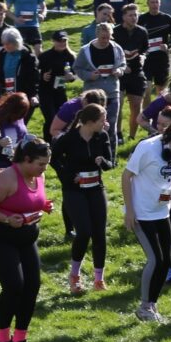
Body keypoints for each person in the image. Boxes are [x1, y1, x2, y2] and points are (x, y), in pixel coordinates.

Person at [0, 138, 53, 342]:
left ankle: (19, 339)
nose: (44, 168)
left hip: (25, 237)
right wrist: (7, 219)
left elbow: (31, 199)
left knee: (32, 286)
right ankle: (1, 338)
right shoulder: (6, 178)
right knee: (14, 285)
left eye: (46, 164)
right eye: (41, 164)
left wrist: (43, 205)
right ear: (26, 160)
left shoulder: (39, 175)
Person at [123, 108, 171, 322]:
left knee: (166, 260)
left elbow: (166, 177)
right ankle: (143, 307)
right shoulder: (147, 148)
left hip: (162, 211)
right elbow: (126, 176)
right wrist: (129, 211)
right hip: (142, 212)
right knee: (155, 259)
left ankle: (152, 304)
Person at [50, 101, 114, 295]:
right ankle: (74, 276)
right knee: (84, 231)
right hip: (74, 190)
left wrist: (103, 161)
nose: (106, 123)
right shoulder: (68, 139)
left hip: (96, 188)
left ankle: (98, 279)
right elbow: (54, 160)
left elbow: (111, 163)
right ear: (90, 122)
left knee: (99, 234)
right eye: (102, 120)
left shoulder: (101, 136)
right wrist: (69, 177)